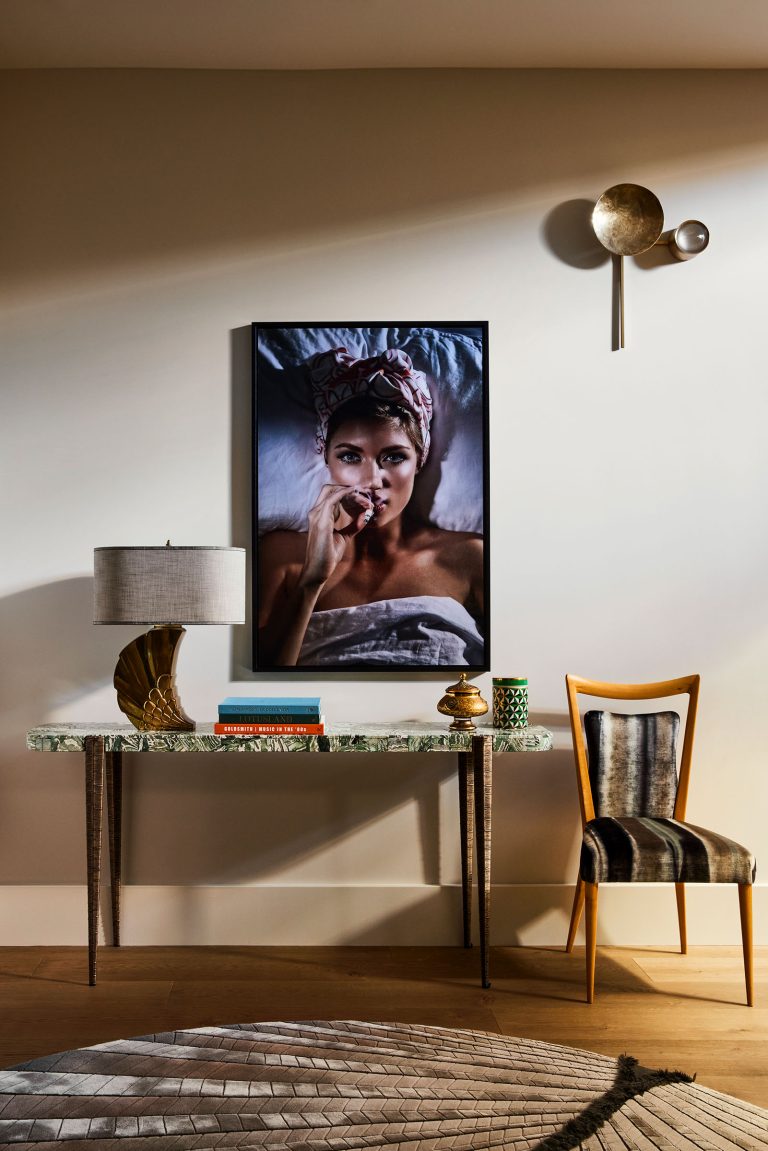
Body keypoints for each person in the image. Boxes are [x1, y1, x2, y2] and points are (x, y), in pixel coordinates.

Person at [258, 346, 484, 666]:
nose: (372, 481)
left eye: (394, 457)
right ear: (327, 460)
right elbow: (264, 685)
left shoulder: (469, 557)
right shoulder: (280, 555)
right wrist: (312, 579)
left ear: (419, 460)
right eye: (350, 456)